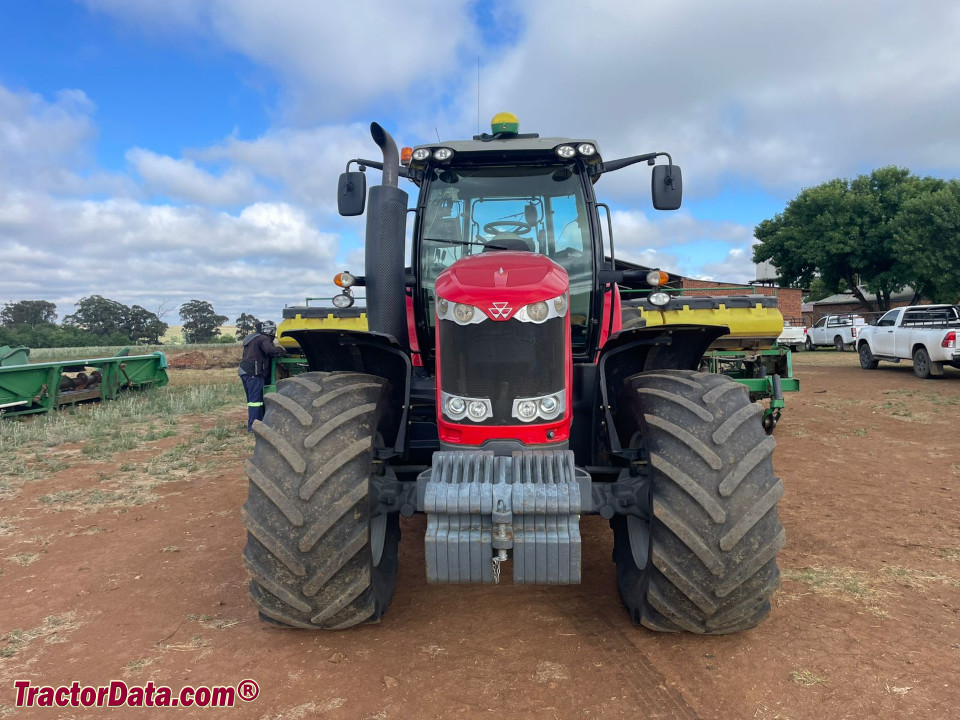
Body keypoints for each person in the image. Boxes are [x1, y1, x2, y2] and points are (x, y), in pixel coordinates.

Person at [239, 320, 285, 431]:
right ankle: (254, 427)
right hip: (254, 374)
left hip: (244, 371)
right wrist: (281, 350)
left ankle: (254, 424)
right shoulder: (263, 339)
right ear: (271, 331)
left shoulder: (251, 338)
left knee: (251, 401)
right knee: (256, 401)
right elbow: (270, 350)